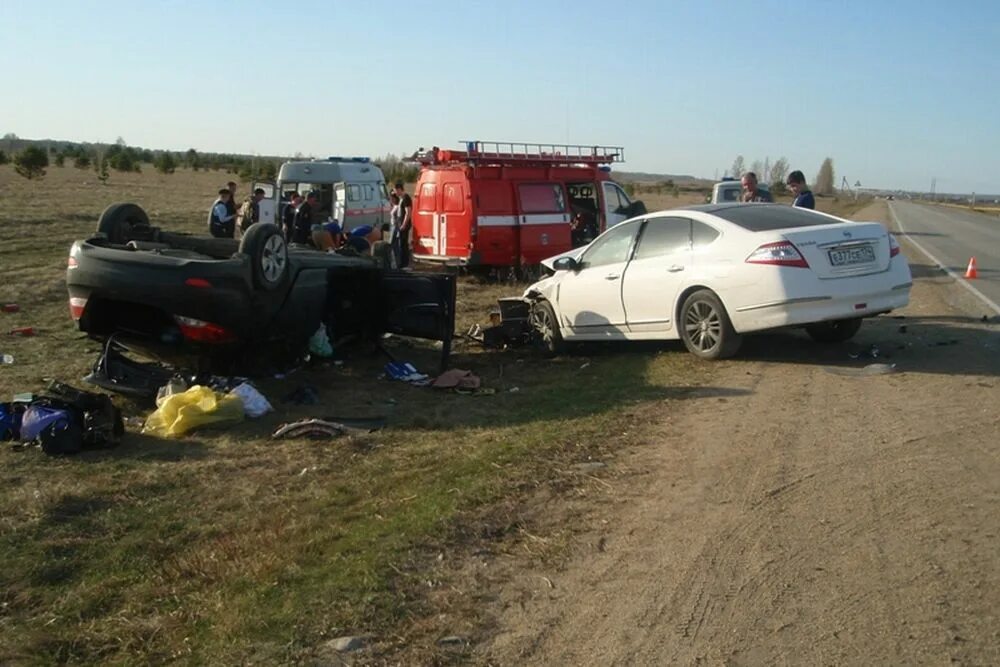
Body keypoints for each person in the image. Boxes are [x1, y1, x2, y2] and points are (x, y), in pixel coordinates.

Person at [394, 182, 413, 267]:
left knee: (403, 244)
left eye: (396, 191)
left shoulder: (406, 198)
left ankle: (404, 263)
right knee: (401, 244)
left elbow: (408, 212)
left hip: (404, 225)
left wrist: (404, 225)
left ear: (399, 189)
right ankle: (402, 262)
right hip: (400, 223)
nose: (395, 193)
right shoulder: (401, 199)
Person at [388, 192, 403, 266]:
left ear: (394, 198)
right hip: (392, 226)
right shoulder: (394, 206)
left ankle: (392, 262)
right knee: (395, 246)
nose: (390, 200)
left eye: (391, 198)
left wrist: (397, 228)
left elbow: (399, 218)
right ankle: (397, 262)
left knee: (391, 244)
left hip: (395, 227)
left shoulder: (397, 207)